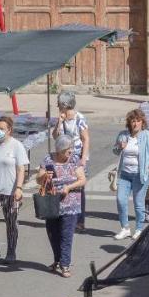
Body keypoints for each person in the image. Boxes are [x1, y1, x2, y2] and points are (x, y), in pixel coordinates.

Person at [0, 114, 29, 265]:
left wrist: (19, 188)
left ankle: (11, 251)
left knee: (11, 223)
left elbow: (21, 169)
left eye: (2, 129)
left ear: (9, 130)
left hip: (10, 191)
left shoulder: (16, 146)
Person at [38, 135, 88, 277]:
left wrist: (69, 187)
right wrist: (44, 177)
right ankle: (57, 260)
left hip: (71, 204)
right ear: (60, 150)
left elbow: (82, 180)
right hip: (52, 204)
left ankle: (65, 265)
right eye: (68, 150)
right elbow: (38, 179)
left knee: (66, 236)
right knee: (53, 234)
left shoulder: (74, 160)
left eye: (72, 149)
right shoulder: (48, 159)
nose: (71, 152)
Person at [112, 108, 149, 239]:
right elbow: (115, 151)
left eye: (138, 121)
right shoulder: (123, 135)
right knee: (121, 200)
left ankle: (139, 229)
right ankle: (125, 228)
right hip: (125, 174)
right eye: (133, 121)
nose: (135, 124)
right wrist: (119, 147)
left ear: (142, 122)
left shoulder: (148, 135)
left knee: (139, 204)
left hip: (140, 175)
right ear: (129, 122)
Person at [50, 90, 90, 233]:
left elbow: (85, 139)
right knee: (65, 184)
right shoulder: (61, 119)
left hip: (77, 156)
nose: (60, 108)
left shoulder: (79, 118)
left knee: (78, 187)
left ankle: (80, 220)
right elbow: (55, 136)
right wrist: (59, 122)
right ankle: (66, 214)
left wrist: (83, 158)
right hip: (63, 156)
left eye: (61, 105)